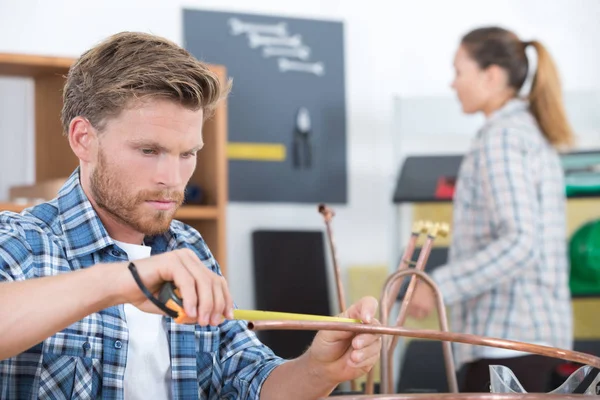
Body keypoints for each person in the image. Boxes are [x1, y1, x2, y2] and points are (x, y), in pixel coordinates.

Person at [0, 31, 382, 399]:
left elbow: (249, 381)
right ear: (84, 139)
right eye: (149, 151)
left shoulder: (187, 247)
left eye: (187, 154)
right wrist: (121, 281)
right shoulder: (23, 243)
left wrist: (321, 368)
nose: (171, 178)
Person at [407, 26, 574, 392]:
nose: (453, 84)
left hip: (508, 339)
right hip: (531, 338)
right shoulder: (525, 131)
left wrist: (437, 286)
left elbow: (520, 242)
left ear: (491, 75)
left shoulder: (501, 138)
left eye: (458, 71)